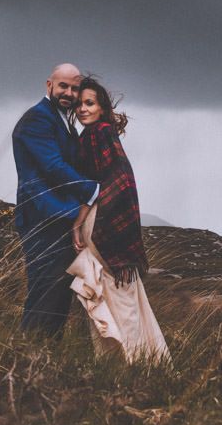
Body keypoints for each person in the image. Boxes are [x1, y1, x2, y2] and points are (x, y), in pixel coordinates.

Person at [67, 76, 170, 363]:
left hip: (101, 227)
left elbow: (102, 184)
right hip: (110, 227)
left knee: (112, 296)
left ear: (102, 107)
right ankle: (141, 362)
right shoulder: (102, 134)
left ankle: (130, 364)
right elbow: (117, 181)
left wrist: (78, 223)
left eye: (89, 103)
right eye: (79, 105)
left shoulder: (96, 135)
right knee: (121, 297)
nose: (83, 110)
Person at [11, 63, 100, 336]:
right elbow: (53, 166)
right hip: (44, 219)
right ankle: (29, 357)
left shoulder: (61, 119)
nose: (69, 93)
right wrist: (94, 190)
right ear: (49, 85)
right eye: (63, 86)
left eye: (74, 88)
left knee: (57, 296)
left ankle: (45, 360)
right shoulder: (37, 119)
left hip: (60, 218)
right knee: (45, 293)